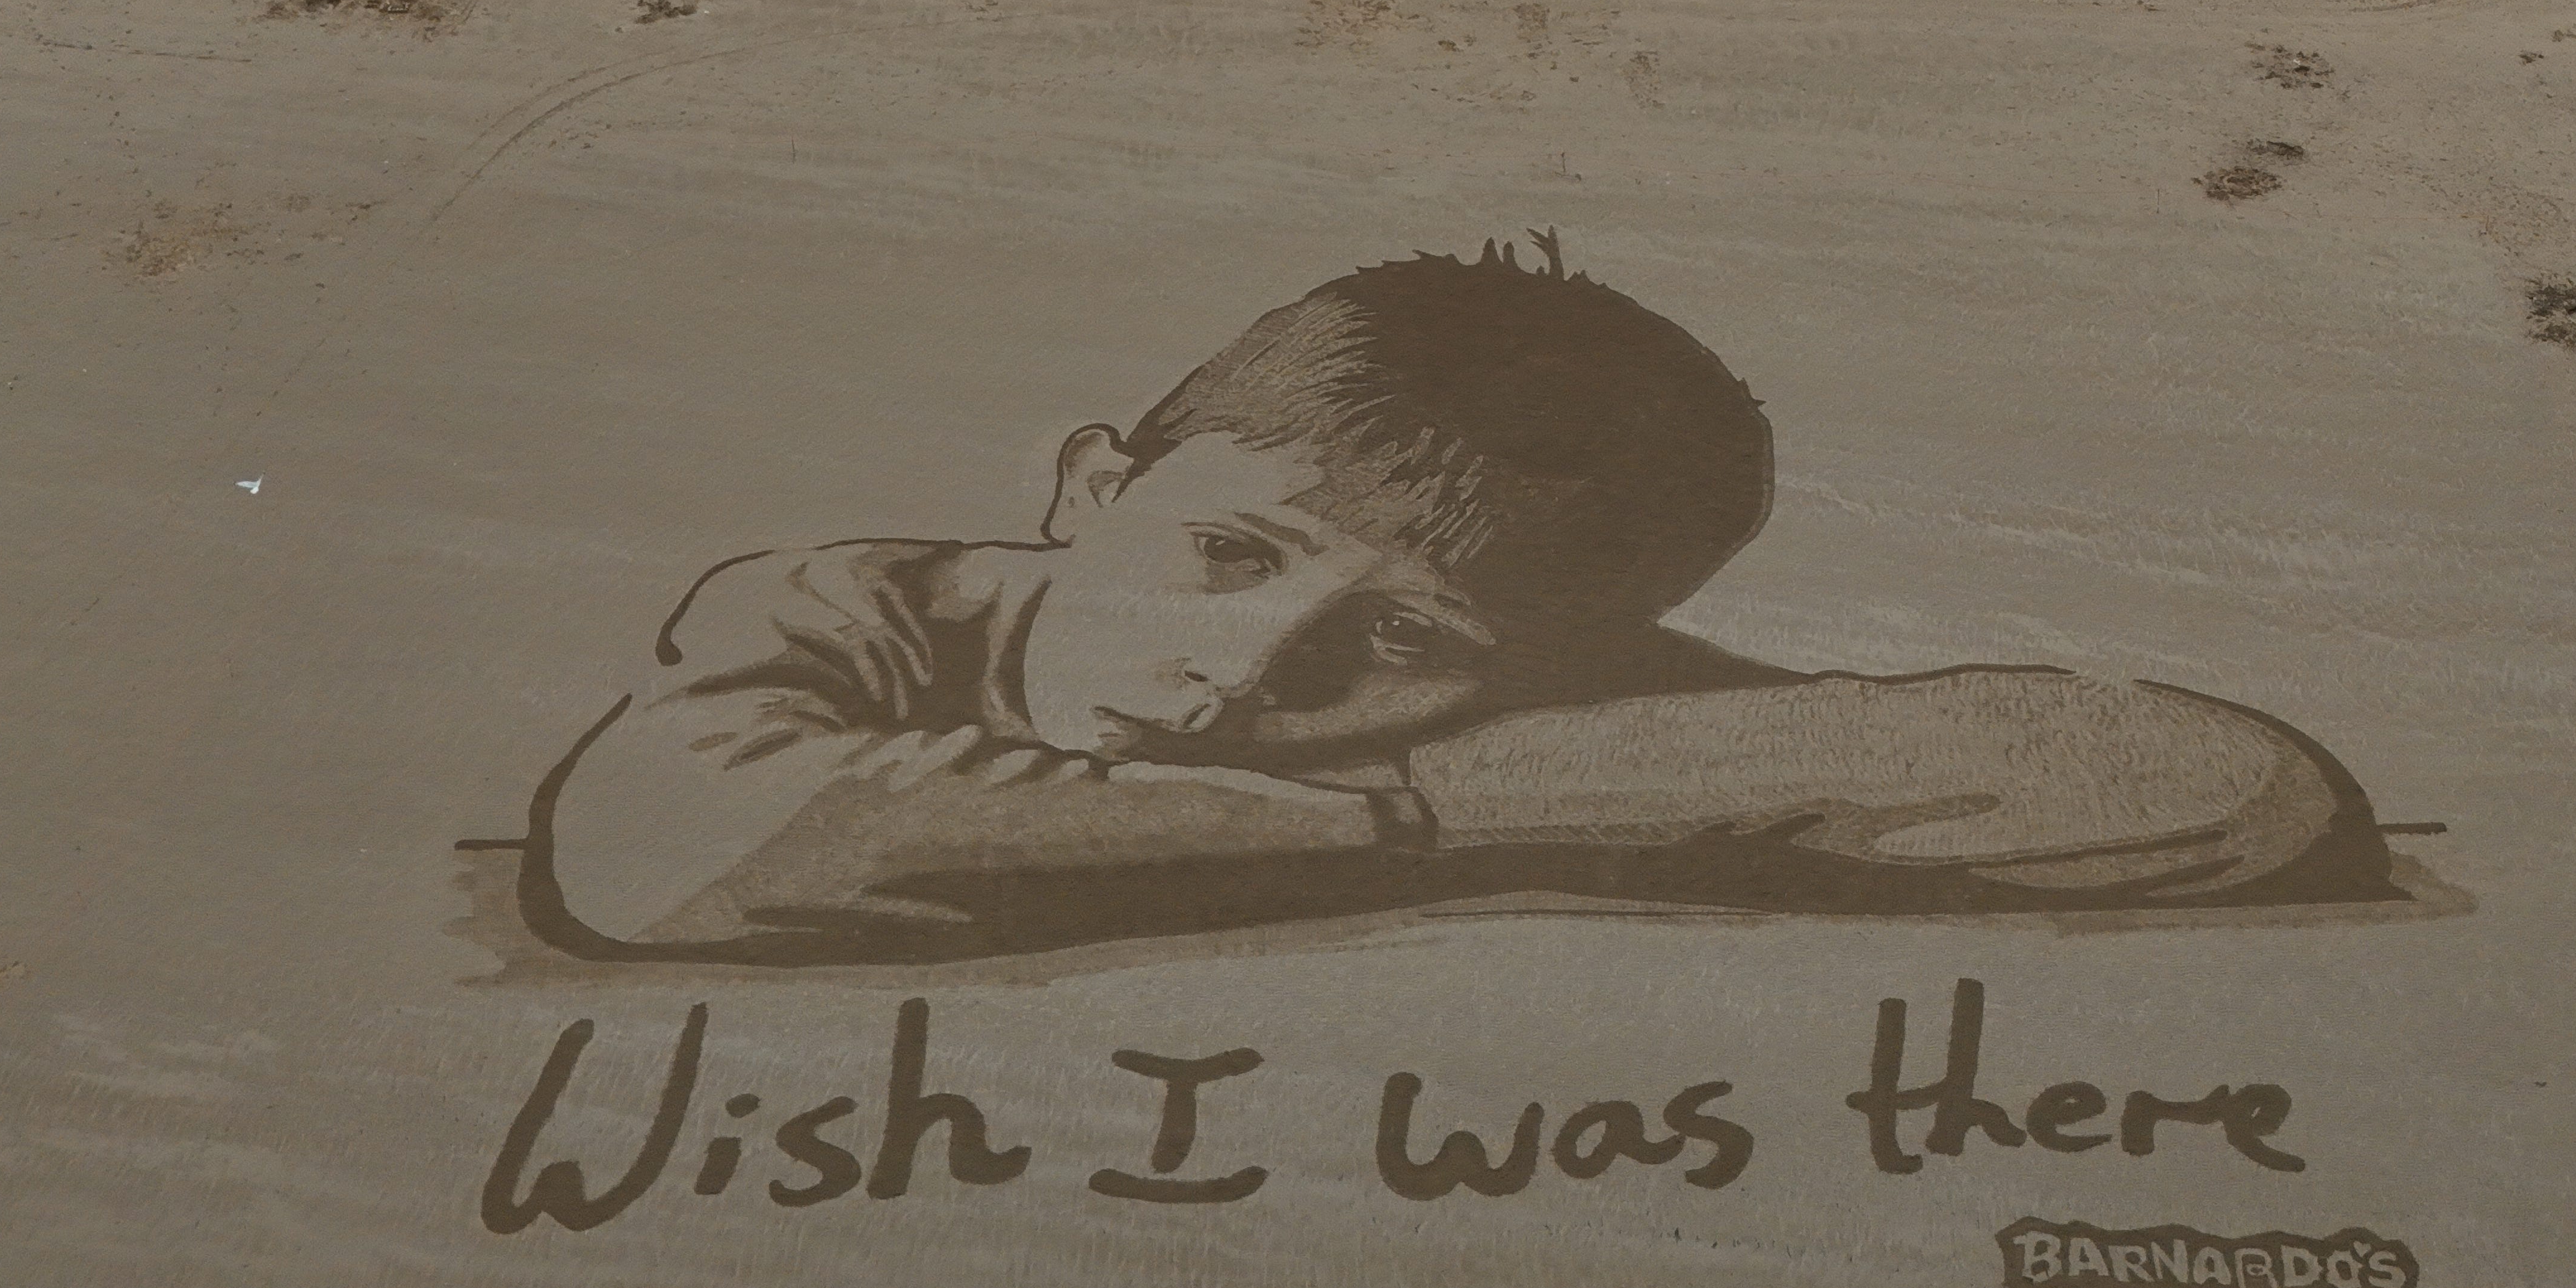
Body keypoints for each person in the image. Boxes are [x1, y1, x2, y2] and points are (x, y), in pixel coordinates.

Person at [513, 246, 2391, 964]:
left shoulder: (1556, 684)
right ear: (1095, 487)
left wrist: (1453, 790)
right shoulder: (848, 605)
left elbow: (2224, 789)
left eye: (1404, 640)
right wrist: (1393, 805)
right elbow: (664, 847)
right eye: (1227, 557)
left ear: (1562, 653)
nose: (1243, 673)